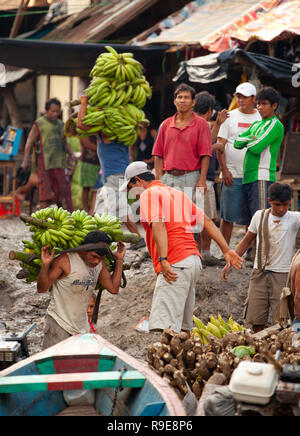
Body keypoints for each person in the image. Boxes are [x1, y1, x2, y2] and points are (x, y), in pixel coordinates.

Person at [120, 161, 243, 334]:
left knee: (165, 330)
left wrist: (163, 259)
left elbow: (158, 224)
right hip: (192, 262)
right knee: (184, 331)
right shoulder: (176, 194)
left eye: (130, 188)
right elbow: (206, 221)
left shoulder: (149, 194)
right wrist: (226, 250)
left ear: (138, 181)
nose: (131, 194)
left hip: (175, 263)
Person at [222, 183, 300, 333]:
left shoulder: (294, 218)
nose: (282, 209)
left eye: (285, 204)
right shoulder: (260, 216)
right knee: (256, 318)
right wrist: (231, 260)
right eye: (277, 205)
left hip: (282, 275)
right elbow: (246, 240)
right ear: (269, 201)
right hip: (259, 273)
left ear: (290, 202)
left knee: (283, 320)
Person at [77, 95, 145, 250]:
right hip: (114, 176)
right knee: (112, 209)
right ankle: (136, 239)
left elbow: (81, 124)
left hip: (116, 176)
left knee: (115, 211)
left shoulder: (107, 131)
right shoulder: (123, 131)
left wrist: (84, 103)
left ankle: (113, 242)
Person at [37, 230, 126, 349]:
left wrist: (119, 260)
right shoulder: (65, 261)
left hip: (81, 327)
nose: (96, 261)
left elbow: (114, 288)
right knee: (54, 365)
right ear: (83, 249)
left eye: (100, 258)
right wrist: (45, 265)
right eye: (94, 256)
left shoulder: (100, 265)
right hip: (59, 324)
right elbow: (42, 288)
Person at [217, 82, 261, 245]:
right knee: (228, 217)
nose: (241, 100)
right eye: (239, 96)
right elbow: (220, 145)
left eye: (245, 97)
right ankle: (225, 250)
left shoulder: (261, 117)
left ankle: (250, 252)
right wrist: (225, 170)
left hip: (254, 175)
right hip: (232, 175)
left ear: (253, 98)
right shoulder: (229, 116)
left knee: (252, 217)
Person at [234, 86, 285, 229]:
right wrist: (251, 139)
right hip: (248, 177)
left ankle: (261, 252)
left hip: (262, 176)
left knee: (261, 221)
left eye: (264, 104)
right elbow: (236, 143)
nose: (260, 107)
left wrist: (247, 140)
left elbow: (256, 148)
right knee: (249, 222)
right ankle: (251, 251)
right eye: (259, 104)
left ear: (274, 106)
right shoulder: (256, 124)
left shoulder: (276, 125)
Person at [152, 83, 212, 199]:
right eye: (179, 97)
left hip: (191, 177)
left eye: (186, 97)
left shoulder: (201, 124)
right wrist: (159, 178)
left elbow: (205, 154)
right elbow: (157, 154)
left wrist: (202, 180)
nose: (182, 101)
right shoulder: (165, 124)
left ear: (193, 102)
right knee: (169, 215)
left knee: (189, 215)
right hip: (168, 178)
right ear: (174, 101)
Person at [194, 91, 228, 266]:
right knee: (206, 218)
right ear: (209, 110)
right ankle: (204, 254)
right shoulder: (201, 124)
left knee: (198, 218)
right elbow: (207, 146)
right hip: (203, 178)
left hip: (197, 177)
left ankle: (199, 253)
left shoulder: (191, 123)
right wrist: (219, 146)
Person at [21, 98, 74, 212]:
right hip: (44, 164)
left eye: (57, 111)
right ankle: (42, 218)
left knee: (60, 194)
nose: (55, 114)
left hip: (59, 163)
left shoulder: (61, 125)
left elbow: (64, 142)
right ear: (46, 110)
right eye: (53, 111)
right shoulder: (39, 124)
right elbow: (29, 142)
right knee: (45, 194)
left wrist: (72, 154)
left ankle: (60, 221)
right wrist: (25, 160)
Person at [79, 136, 101, 213]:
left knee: (96, 189)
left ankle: (92, 210)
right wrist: (103, 149)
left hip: (99, 162)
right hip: (88, 162)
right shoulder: (84, 130)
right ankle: (85, 210)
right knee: (86, 188)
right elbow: (87, 143)